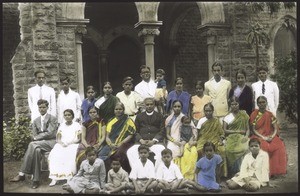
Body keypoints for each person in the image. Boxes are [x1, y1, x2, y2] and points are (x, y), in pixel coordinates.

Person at [10, 99, 58, 189]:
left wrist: (37, 138)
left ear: (47, 108)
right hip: (39, 144)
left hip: (51, 143)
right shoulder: (36, 121)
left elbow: (50, 133)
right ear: (38, 108)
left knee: (32, 144)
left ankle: (22, 173)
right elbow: (34, 134)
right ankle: (36, 180)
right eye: (40, 107)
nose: (42, 109)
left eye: (44, 107)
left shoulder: (53, 118)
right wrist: (38, 138)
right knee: (36, 150)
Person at [249, 96, 287, 177]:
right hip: (258, 135)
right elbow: (253, 129)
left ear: (266, 103)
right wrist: (263, 137)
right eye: (260, 102)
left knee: (279, 145)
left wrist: (272, 136)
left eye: (263, 102)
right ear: (257, 104)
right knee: (265, 146)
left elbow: (275, 128)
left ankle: (276, 171)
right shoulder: (254, 114)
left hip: (270, 134)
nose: (262, 104)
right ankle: (265, 171)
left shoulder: (270, 114)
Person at [126, 97, 165, 172]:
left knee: (161, 150)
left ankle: (155, 174)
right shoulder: (139, 116)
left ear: (154, 105)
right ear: (144, 105)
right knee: (130, 152)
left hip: (155, 143)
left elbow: (162, 131)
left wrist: (154, 141)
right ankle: (137, 173)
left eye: (151, 104)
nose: (149, 106)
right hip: (141, 142)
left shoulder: (159, 116)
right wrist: (141, 140)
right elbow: (135, 131)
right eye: (147, 104)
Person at [98, 102, 136, 173]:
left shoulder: (128, 120)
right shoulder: (111, 121)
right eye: (116, 109)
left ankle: (122, 174)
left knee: (119, 154)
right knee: (101, 154)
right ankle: (108, 174)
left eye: (120, 109)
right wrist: (110, 144)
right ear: (114, 110)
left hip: (125, 142)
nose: (118, 111)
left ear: (123, 110)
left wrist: (120, 143)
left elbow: (130, 135)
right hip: (111, 143)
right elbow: (107, 136)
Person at [48, 109, 81, 186]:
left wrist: (69, 143)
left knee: (69, 154)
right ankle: (54, 177)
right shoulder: (62, 125)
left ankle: (68, 177)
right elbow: (58, 138)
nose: (67, 116)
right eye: (65, 115)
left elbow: (78, 138)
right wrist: (62, 143)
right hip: (62, 144)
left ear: (72, 116)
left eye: (69, 115)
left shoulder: (77, 125)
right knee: (55, 154)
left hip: (73, 143)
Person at [165, 100, 197, 180]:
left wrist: (191, 140)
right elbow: (167, 135)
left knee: (192, 152)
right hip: (173, 140)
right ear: (172, 108)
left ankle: (187, 175)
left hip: (185, 140)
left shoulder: (185, 118)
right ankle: (173, 175)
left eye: (179, 106)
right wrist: (175, 141)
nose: (177, 108)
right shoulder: (169, 119)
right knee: (172, 149)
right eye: (175, 106)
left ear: (181, 108)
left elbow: (193, 130)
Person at [196, 103, 227, 178]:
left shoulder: (216, 121)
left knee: (222, 150)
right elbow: (198, 134)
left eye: (210, 111)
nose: (208, 113)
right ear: (204, 111)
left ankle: (219, 175)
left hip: (215, 140)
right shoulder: (201, 120)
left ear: (212, 111)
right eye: (206, 111)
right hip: (203, 140)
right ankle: (204, 173)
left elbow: (221, 133)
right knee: (200, 150)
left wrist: (221, 140)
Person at [223, 96, 250, 177]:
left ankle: (243, 171)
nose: (234, 106)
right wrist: (237, 131)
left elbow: (248, 129)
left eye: (236, 104)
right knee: (229, 150)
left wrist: (246, 136)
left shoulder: (244, 114)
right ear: (230, 105)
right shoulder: (227, 117)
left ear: (239, 104)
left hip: (242, 136)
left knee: (244, 148)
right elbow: (225, 130)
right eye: (232, 104)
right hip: (231, 137)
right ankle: (233, 173)